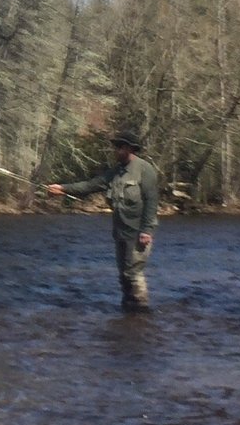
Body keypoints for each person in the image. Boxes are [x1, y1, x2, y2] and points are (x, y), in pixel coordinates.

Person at [46, 131, 159, 312]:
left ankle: (141, 311)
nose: (115, 150)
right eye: (115, 147)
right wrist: (62, 188)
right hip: (120, 231)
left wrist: (146, 230)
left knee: (134, 273)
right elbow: (90, 185)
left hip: (138, 232)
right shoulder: (115, 172)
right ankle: (128, 312)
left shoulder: (145, 170)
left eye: (119, 147)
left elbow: (152, 201)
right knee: (123, 275)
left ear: (129, 148)